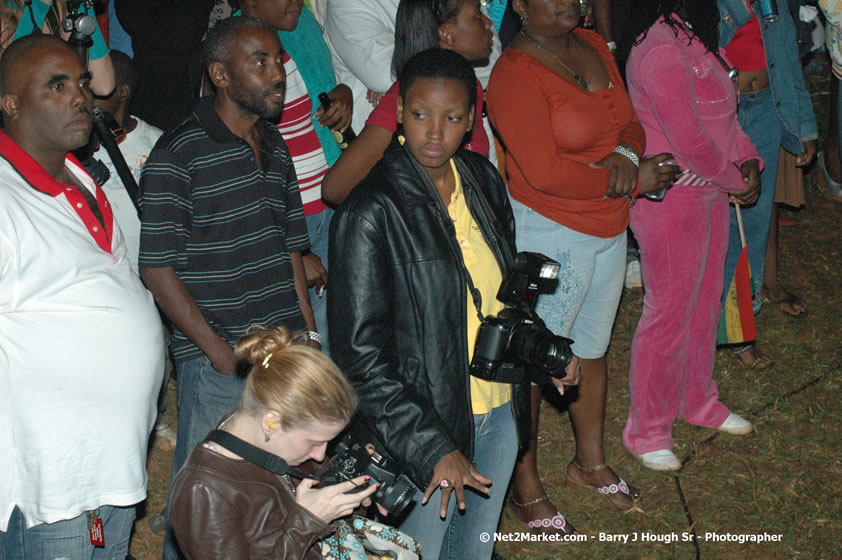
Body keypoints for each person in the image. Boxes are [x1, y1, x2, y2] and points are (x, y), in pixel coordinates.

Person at [329, 48, 576, 557]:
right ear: (398, 111)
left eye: (452, 117)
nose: (434, 133)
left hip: (500, 410)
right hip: (422, 425)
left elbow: (503, 297)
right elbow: (359, 358)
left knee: (474, 548)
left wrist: (540, 352)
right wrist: (431, 447)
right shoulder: (370, 211)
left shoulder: (483, 180)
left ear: (472, 120)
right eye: (420, 114)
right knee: (419, 549)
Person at [486, 0, 675, 535]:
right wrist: (633, 180)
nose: (573, 1)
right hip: (550, 234)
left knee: (591, 346)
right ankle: (524, 487)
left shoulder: (592, 45)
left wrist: (628, 156)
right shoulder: (513, 74)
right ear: (519, 4)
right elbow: (542, 171)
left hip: (608, 225)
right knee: (533, 362)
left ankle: (588, 464)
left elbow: (631, 123)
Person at [137, 16, 318, 559]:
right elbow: (157, 268)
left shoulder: (274, 142)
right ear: (219, 73)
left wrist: (308, 334)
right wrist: (216, 353)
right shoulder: (178, 155)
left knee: (271, 496)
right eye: (259, 61)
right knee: (203, 507)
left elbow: (291, 249)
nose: (277, 72)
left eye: (278, 60)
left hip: (283, 355)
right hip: (222, 363)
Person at [0, 34, 165, 558]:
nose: (80, 97)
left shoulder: (81, 178)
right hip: (52, 490)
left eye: (81, 82)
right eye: (57, 85)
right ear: (10, 103)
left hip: (110, 473)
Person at [620, 0, 762, 471]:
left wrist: (748, 161)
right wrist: (733, 177)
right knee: (670, 312)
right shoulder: (659, 47)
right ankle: (647, 430)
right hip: (673, 200)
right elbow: (691, 140)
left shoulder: (692, 34)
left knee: (705, 302)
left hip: (709, 193)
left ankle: (698, 400)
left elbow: (727, 117)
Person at [169, 327, 378, 559]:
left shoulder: (269, 442)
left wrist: (351, 496)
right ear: (271, 423)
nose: (320, 456)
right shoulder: (204, 491)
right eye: (314, 442)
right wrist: (307, 523)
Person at [238, 0, 355, 356]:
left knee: (336, 322)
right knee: (299, 335)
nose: (295, 1)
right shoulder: (234, 51)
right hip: (285, 219)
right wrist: (291, 250)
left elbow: (328, 82)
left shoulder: (301, 25)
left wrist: (343, 95)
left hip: (330, 201)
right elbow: (236, 163)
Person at [717, 0, 817, 368]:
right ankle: (714, 320)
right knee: (722, 221)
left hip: (768, 108)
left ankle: (740, 328)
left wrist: (804, 124)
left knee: (755, 221)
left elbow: (788, 59)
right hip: (721, 108)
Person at [322, 0, 495, 205]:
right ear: (447, 33)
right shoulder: (411, 95)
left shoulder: (465, 84)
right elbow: (336, 188)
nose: (488, 23)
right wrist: (411, 214)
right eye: (477, 14)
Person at [90, 49, 176, 452]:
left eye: (95, 90)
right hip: (107, 270)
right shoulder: (81, 146)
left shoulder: (155, 142)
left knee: (157, 345)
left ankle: (153, 417)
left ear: (121, 92)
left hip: (151, 267)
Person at [323, 0, 501, 132]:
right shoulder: (346, 3)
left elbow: (492, 59)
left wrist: (402, 77)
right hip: (390, 140)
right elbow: (386, 76)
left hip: (466, 129)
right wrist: (458, 50)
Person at [8, 0, 115, 96]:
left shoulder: (62, 5)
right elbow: (9, 88)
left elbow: (103, 85)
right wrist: (40, 5)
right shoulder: (7, 8)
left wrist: (81, 7)